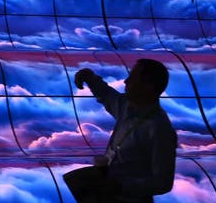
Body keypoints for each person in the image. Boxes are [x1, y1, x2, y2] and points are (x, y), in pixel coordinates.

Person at [63, 59, 177, 203]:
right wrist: (90, 78)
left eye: (133, 78)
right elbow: (106, 95)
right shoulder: (127, 108)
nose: (126, 82)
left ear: (148, 87)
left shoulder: (159, 129)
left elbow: (163, 182)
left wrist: (121, 186)